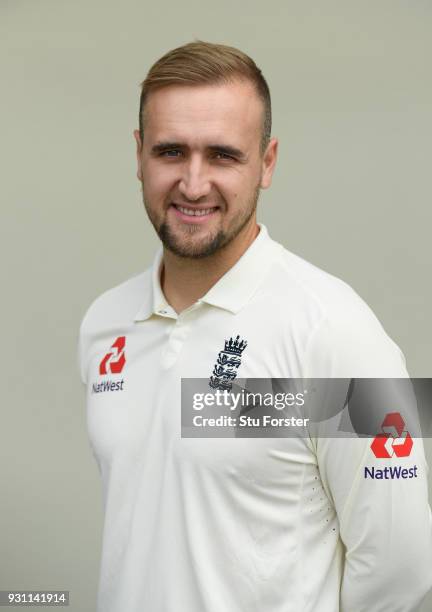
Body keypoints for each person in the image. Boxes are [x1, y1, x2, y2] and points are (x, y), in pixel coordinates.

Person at [77, 40, 432, 611]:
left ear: (266, 163)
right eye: (171, 152)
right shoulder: (104, 325)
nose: (193, 185)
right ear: (138, 155)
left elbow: (405, 570)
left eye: (223, 155)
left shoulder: (339, 331)